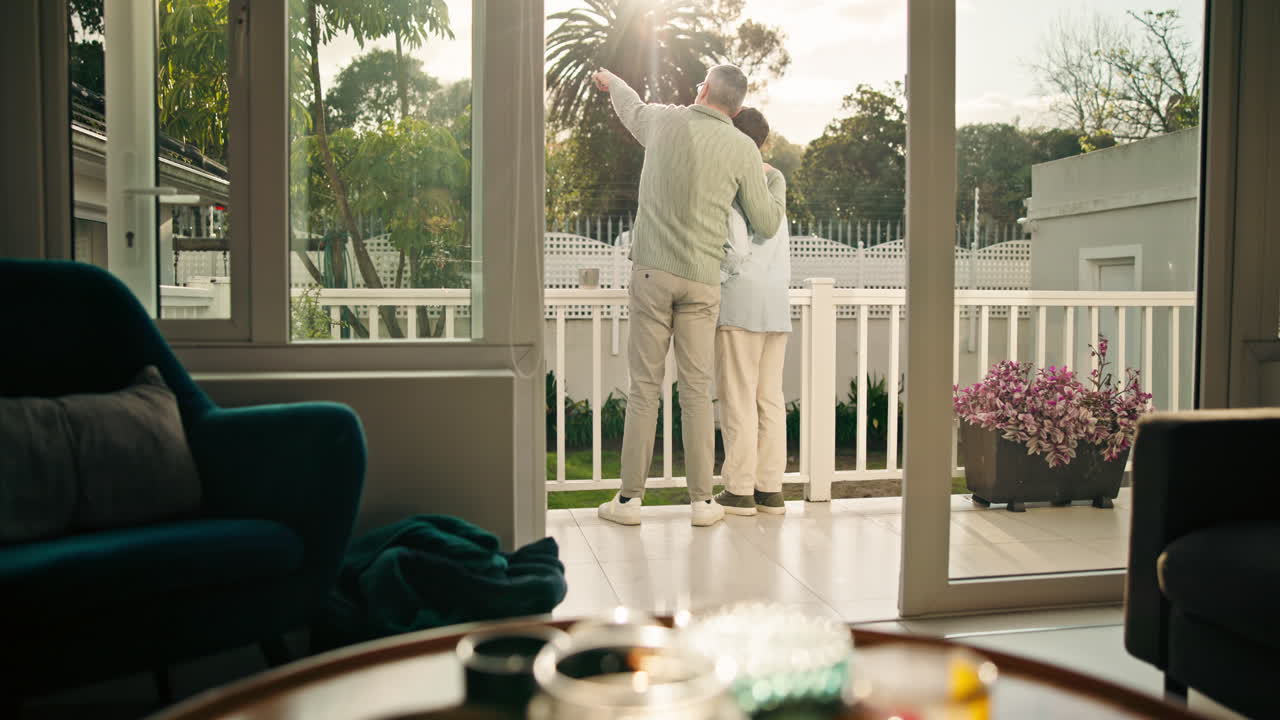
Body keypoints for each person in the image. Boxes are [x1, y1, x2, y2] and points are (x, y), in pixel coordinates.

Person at [591, 65, 784, 527]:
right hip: (702, 282)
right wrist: (773, 182)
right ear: (737, 109)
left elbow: (630, 107)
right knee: (696, 392)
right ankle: (702, 503)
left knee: (644, 389)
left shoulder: (663, 120)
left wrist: (613, 80)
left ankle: (629, 502)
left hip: (653, 275)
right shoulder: (742, 146)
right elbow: (766, 222)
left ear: (703, 90)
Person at [713, 108, 790, 516]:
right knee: (769, 399)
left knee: (738, 397)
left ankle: (740, 489)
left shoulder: (731, 177)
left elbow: (735, 246)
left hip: (740, 300)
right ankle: (770, 488)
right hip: (776, 303)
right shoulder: (775, 179)